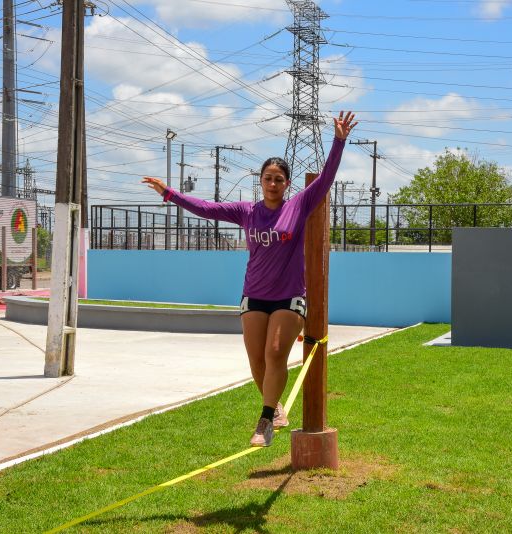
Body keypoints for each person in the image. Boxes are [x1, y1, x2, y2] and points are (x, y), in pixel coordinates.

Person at [142, 111, 357, 447]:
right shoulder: (247, 211)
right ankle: (278, 408)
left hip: (289, 297)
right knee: (256, 360)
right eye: (268, 178)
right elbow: (206, 208)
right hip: (253, 295)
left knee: (275, 353)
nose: (273, 184)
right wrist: (170, 193)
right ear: (260, 180)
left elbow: (326, 178)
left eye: (279, 179)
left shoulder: (298, 206)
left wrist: (339, 141)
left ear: (287, 184)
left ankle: (265, 420)